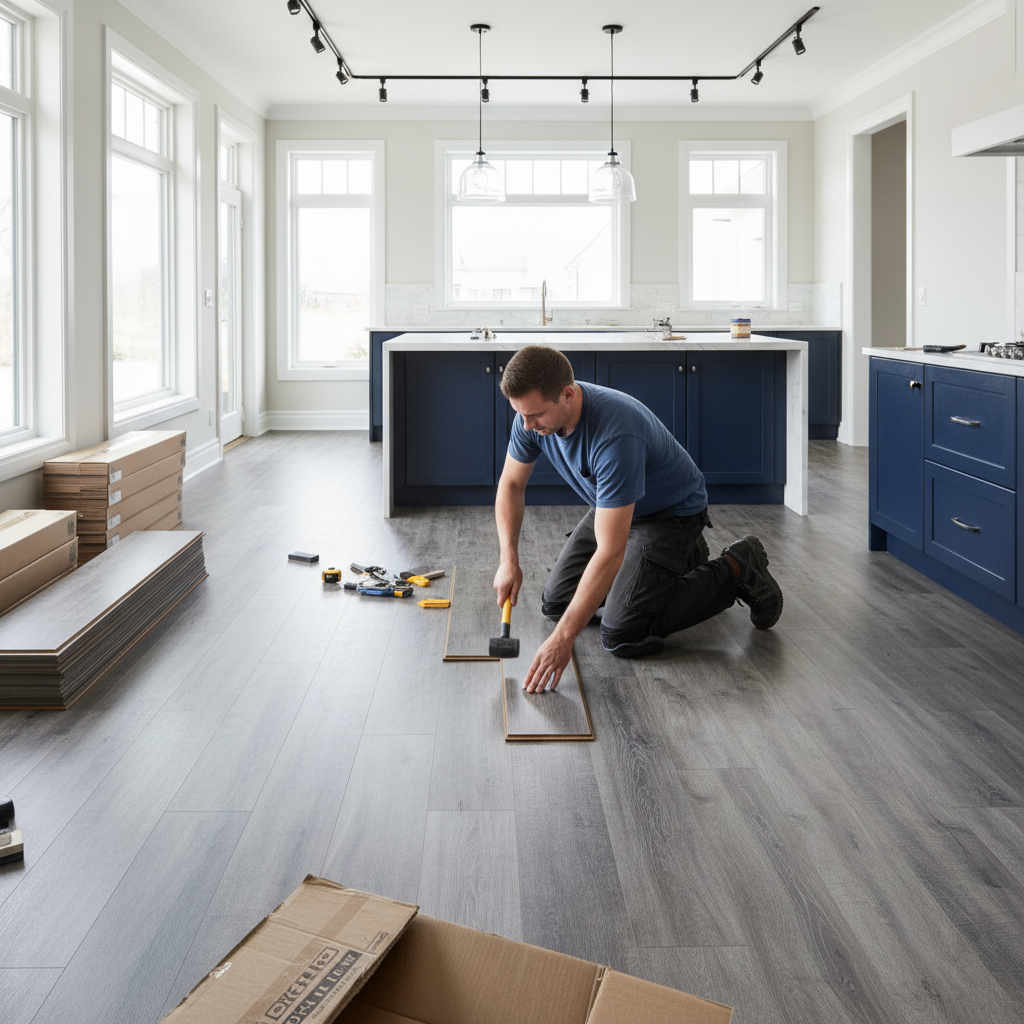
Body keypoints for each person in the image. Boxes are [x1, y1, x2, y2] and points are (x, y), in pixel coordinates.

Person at [492, 345, 783, 693]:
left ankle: (737, 567)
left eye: (535, 415)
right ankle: (678, 562)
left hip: (669, 513)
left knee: (621, 633)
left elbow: (611, 552)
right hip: (613, 508)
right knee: (557, 604)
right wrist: (509, 558)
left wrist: (562, 640)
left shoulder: (615, 433)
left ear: (567, 395)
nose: (526, 425)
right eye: (521, 415)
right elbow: (510, 484)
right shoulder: (532, 416)